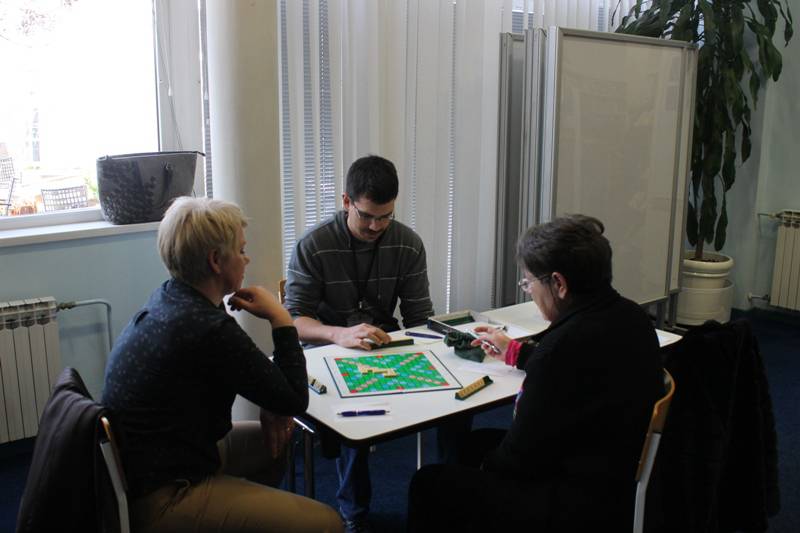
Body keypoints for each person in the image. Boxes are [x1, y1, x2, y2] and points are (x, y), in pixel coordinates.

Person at [407, 215, 665, 532]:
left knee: (428, 483)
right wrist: (517, 353)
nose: (529, 291)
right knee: (470, 445)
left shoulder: (560, 349)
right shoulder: (632, 317)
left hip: (572, 501)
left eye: (529, 282)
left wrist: (486, 470)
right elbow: (578, 371)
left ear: (559, 284)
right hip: (615, 474)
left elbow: (517, 458)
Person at [102, 197, 342, 533]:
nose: (247, 258)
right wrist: (281, 317)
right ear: (216, 260)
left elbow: (268, 388)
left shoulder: (171, 296)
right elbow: (294, 399)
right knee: (328, 523)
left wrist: (272, 400)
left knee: (275, 443)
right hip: (166, 493)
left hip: (156, 462)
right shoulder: (208, 328)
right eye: (241, 250)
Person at [284, 155, 435, 532]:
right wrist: (339, 334)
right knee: (358, 408)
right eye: (366, 216)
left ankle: (450, 498)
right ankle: (354, 513)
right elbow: (293, 323)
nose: (376, 226)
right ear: (346, 201)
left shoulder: (408, 243)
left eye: (385, 217)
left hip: (384, 342)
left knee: (457, 403)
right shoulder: (314, 244)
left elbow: (419, 318)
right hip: (326, 347)